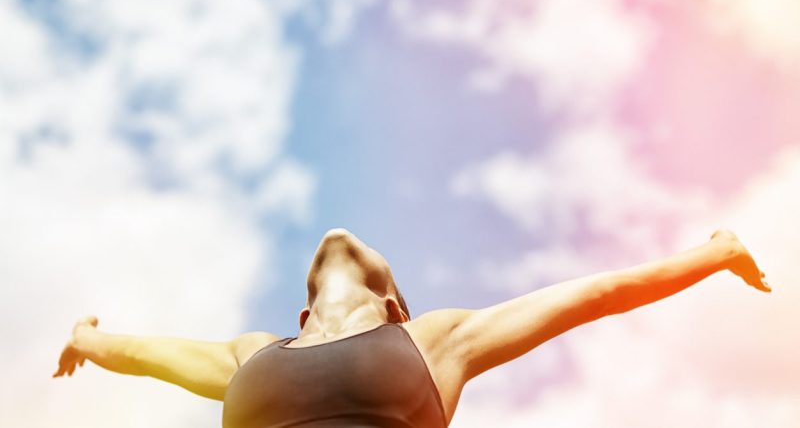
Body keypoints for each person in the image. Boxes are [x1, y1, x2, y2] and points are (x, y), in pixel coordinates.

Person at [53, 227, 770, 427]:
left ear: (396, 303)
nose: (342, 239)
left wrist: (713, 255)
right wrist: (87, 340)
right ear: (299, 316)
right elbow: (147, 353)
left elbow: (598, 294)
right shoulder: (255, 353)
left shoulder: (433, 340)